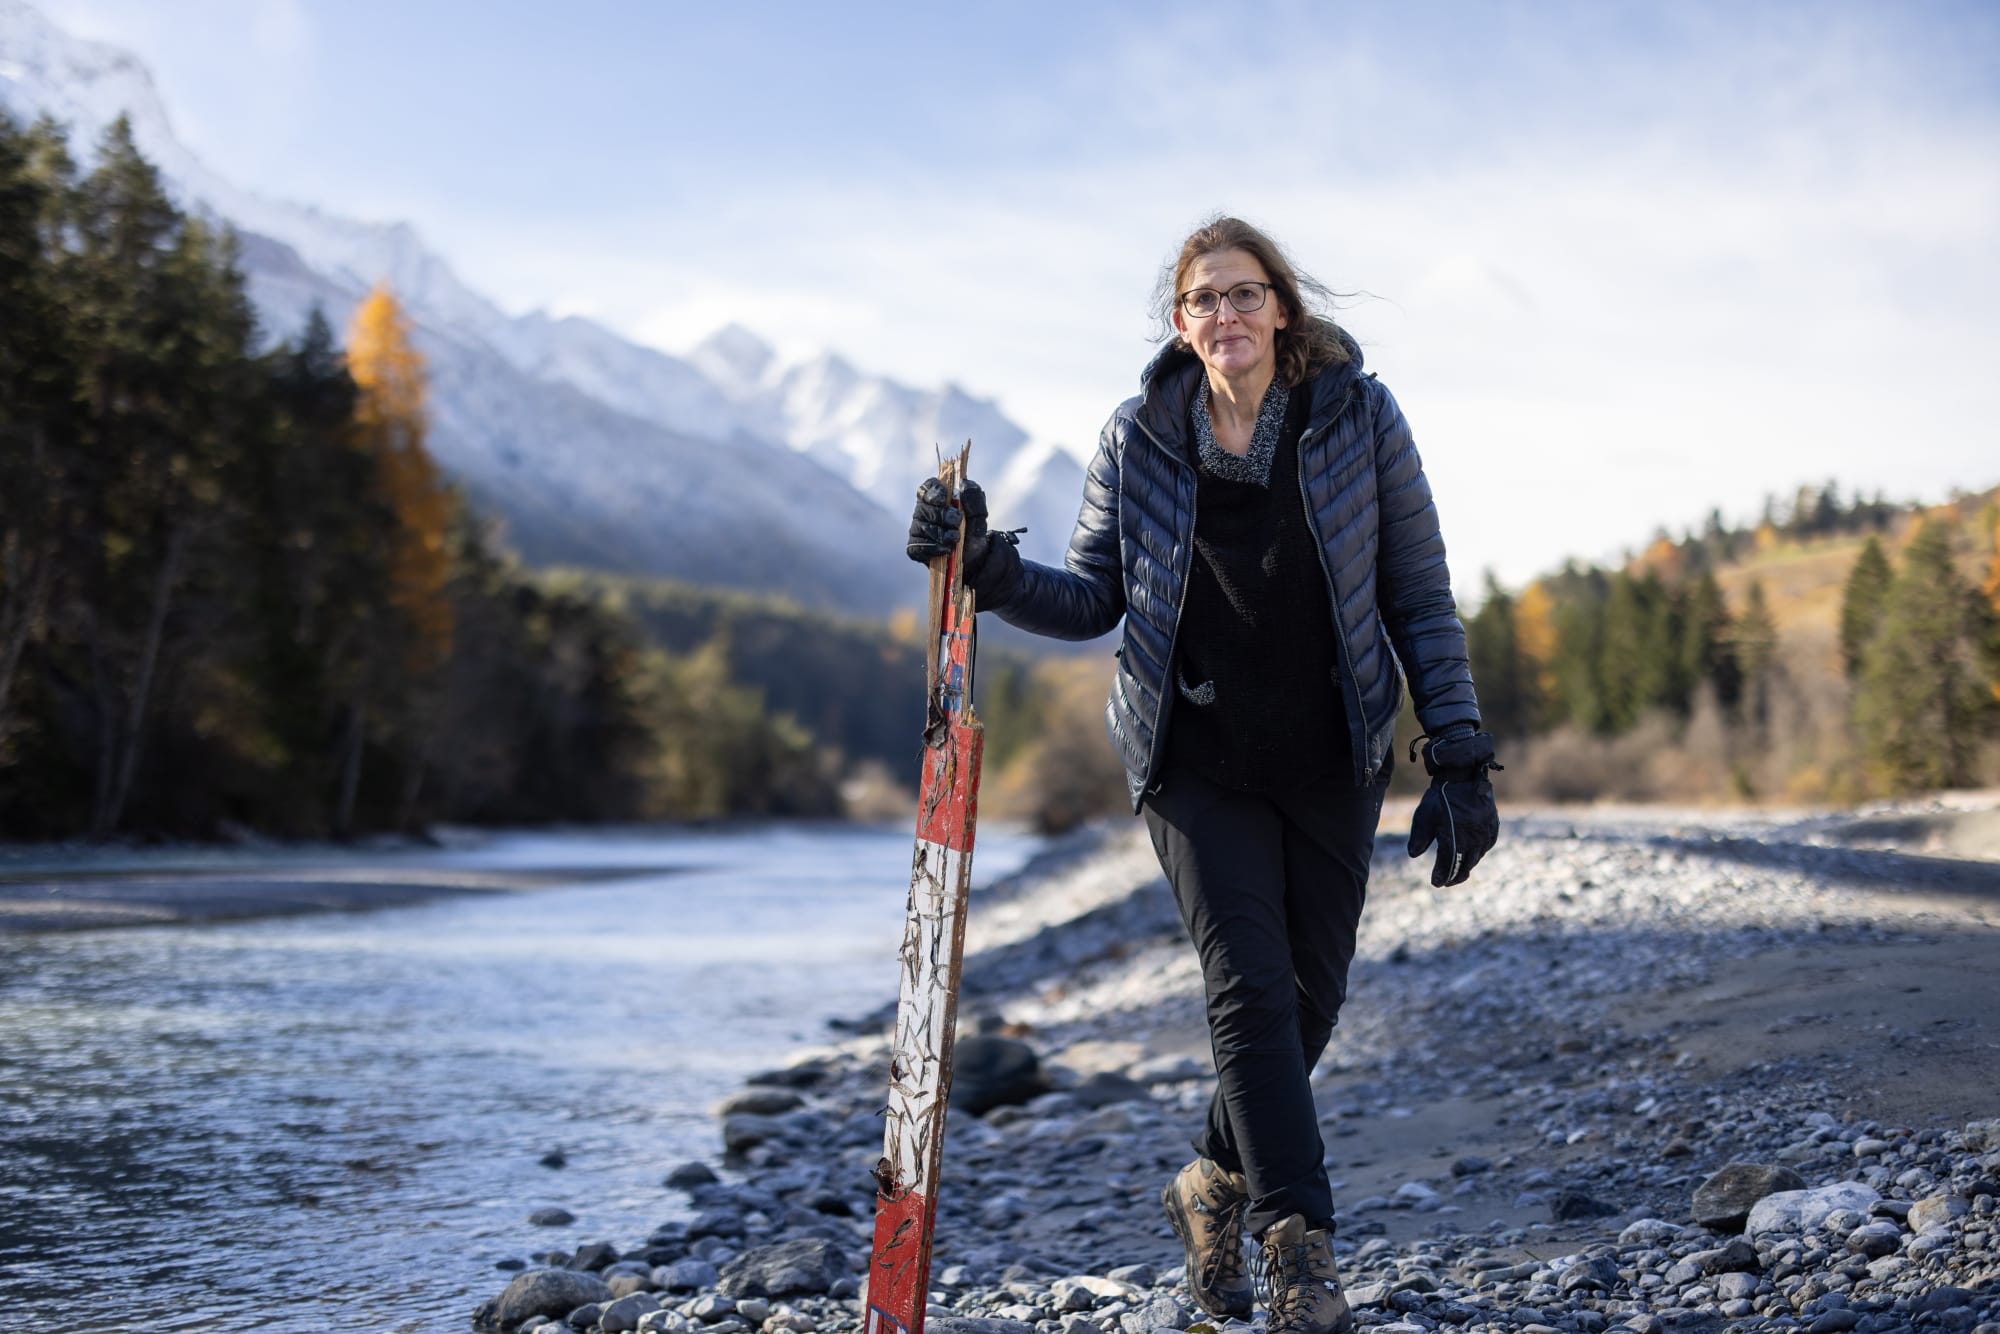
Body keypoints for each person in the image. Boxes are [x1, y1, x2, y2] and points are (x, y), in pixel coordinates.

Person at [906, 216, 1500, 1334]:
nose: (1224, 314)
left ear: (1281, 306)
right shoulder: (1138, 437)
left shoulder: (1359, 418)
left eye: (1242, 293)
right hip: (1191, 761)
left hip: (1332, 752)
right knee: (1247, 992)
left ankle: (1207, 1182)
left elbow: (1416, 590)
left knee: (1307, 1003)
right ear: (1178, 326)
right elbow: (1089, 599)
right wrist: (980, 564)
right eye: (1202, 299)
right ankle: (1298, 1249)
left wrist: (1458, 750)